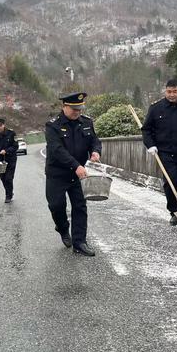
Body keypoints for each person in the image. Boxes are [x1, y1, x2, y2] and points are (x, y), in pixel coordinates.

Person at [45, 92, 101, 256]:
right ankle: (62, 228)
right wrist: (75, 165)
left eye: (80, 109)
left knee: (80, 206)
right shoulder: (53, 126)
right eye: (74, 109)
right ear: (64, 107)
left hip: (78, 174)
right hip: (57, 174)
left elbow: (94, 141)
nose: (77, 112)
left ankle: (79, 242)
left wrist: (95, 152)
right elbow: (57, 150)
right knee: (56, 206)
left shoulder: (86, 122)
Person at [141, 78, 177, 225]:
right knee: (170, 182)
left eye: (175, 91)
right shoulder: (156, 108)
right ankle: (174, 211)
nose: (171, 95)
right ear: (165, 91)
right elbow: (146, 130)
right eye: (169, 91)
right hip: (165, 153)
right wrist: (150, 145)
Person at [0, 118, 18, 203]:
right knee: (2, 178)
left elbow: (15, 146)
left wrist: (6, 151)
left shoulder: (11, 133)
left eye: (0, 125)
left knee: (8, 178)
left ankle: (8, 195)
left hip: (10, 159)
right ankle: (9, 192)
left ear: (4, 125)